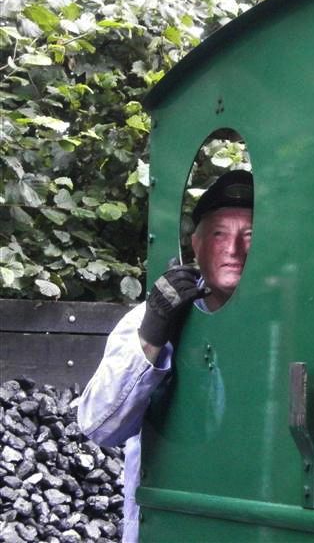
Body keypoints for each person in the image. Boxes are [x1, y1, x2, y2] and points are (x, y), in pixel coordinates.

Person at [77, 169, 253, 543]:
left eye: (249, 236)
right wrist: (153, 332)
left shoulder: (279, 325)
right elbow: (99, 426)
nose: (234, 249)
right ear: (196, 245)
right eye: (219, 234)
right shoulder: (147, 317)